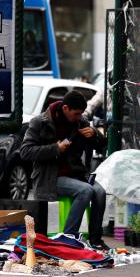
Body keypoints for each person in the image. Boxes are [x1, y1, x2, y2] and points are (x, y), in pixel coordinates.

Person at [20, 90, 110, 251]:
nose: (79, 117)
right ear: (66, 108)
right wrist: (55, 148)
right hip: (50, 177)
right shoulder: (40, 122)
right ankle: (68, 238)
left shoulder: (79, 120)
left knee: (100, 192)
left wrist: (94, 134)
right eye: (76, 113)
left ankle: (96, 239)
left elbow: (101, 144)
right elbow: (25, 152)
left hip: (77, 174)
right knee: (86, 191)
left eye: (81, 114)